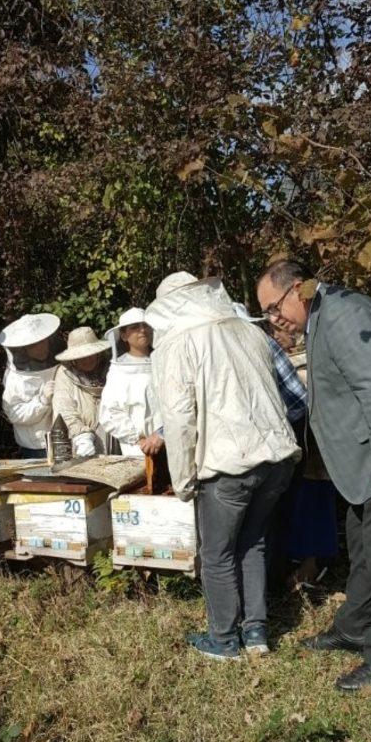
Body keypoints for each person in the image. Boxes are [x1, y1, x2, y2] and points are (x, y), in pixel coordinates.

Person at [257, 259, 371, 692]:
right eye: (268, 313)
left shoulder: (345, 314)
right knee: (366, 548)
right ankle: (354, 626)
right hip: (364, 465)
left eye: (275, 308)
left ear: (297, 288)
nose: (274, 319)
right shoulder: (323, 315)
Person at [146, 273, 300, 660]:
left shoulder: (177, 343)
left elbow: (180, 421)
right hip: (277, 458)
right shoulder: (249, 331)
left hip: (228, 465)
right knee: (253, 542)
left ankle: (224, 639)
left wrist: (182, 481)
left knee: (216, 553)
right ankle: (257, 633)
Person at [99, 308, 164, 458]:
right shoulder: (118, 369)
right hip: (137, 450)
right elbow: (109, 412)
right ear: (124, 335)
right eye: (135, 327)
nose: (142, 330)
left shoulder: (163, 359)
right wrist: (138, 438)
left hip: (171, 443)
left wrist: (162, 435)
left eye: (145, 325)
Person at [0, 313, 61, 458]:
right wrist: (42, 401)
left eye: (43, 341)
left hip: (63, 439)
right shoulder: (16, 378)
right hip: (37, 446)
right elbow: (14, 413)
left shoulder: (58, 365)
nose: (41, 347)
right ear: (24, 348)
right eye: (34, 345)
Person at [52, 327, 112, 456]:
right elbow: (63, 409)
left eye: (90, 354)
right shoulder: (64, 374)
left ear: (98, 353)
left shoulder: (111, 369)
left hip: (114, 439)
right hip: (81, 445)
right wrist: (81, 436)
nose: (87, 359)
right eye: (81, 356)